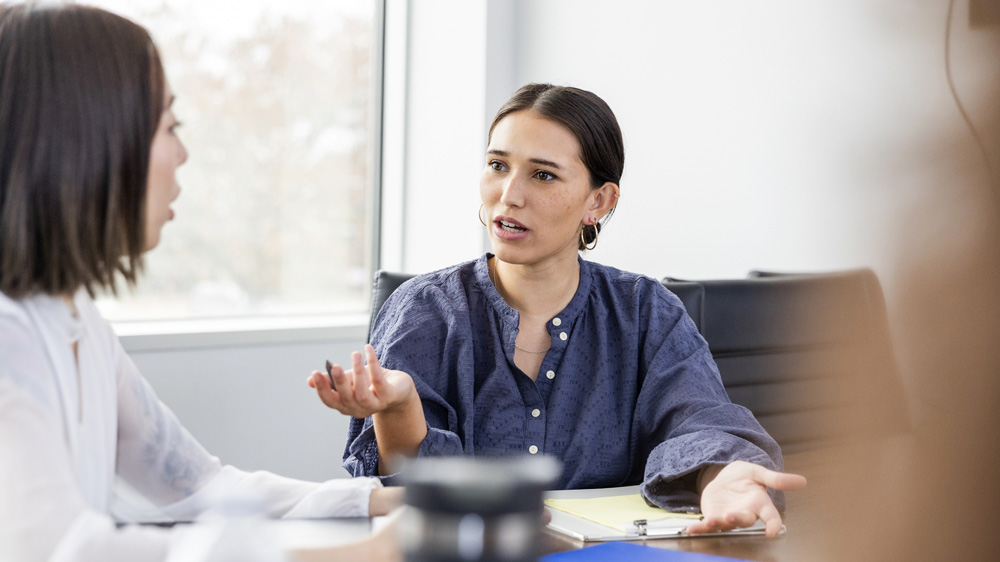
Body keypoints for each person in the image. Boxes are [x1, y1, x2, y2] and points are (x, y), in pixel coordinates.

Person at [308, 83, 806, 537]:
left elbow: (702, 421)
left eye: (543, 175)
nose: (509, 195)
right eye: (498, 165)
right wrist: (400, 409)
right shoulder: (424, 310)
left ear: (599, 201)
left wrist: (721, 476)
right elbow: (402, 489)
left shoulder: (646, 311)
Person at [0, 4, 400, 561]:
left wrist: (384, 502)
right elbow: (55, 547)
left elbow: (199, 488)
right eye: (169, 126)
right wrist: (343, 556)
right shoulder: (9, 338)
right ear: (91, 140)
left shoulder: (78, 322)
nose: (183, 154)